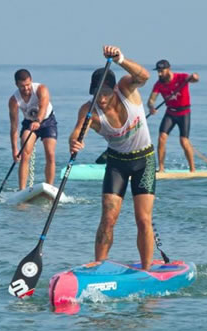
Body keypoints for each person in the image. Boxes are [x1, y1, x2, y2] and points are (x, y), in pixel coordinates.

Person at [69, 45, 155, 270]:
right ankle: (99, 266)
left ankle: (146, 270)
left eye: (105, 94)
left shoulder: (126, 89)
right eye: (97, 94)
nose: (102, 100)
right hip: (116, 163)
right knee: (108, 218)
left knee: (143, 220)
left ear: (113, 88)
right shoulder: (90, 110)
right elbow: (78, 131)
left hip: (143, 161)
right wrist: (75, 141)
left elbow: (144, 75)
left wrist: (120, 59)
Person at [8, 69, 58, 189]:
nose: (26, 89)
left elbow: (43, 106)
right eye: (22, 86)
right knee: (25, 153)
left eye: (27, 85)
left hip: (47, 121)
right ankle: (22, 190)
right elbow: (14, 126)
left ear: (31, 81)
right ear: (16, 84)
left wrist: (38, 120)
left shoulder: (41, 89)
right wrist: (14, 150)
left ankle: (49, 187)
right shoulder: (14, 100)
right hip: (29, 124)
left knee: (50, 153)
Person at [147, 59, 200, 172]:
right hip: (170, 112)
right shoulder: (158, 84)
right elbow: (151, 100)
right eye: (158, 71)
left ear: (168, 69)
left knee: (183, 141)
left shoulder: (181, 77)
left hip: (184, 113)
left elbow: (194, 79)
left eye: (161, 71)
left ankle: (192, 169)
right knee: (161, 137)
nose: (159, 74)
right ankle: (161, 168)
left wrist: (195, 77)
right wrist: (151, 107)